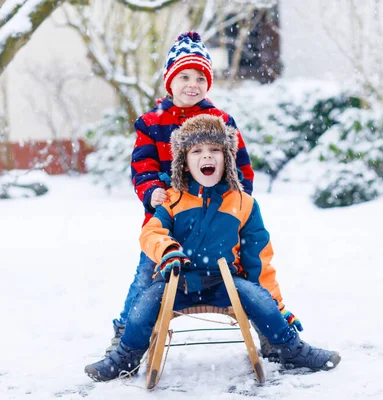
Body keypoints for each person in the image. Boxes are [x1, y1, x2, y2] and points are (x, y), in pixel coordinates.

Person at [85, 114, 341, 382]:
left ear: (227, 158)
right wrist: (167, 249)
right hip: (177, 283)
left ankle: (291, 349)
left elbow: (260, 262)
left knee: (259, 299)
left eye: (214, 150)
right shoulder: (173, 199)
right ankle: (124, 358)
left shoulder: (243, 204)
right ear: (184, 162)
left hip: (225, 284)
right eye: (197, 150)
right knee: (142, 306)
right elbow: (152, 232)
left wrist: (277, 306)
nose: (206, 156)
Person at [106, 31, 255, 354]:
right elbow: (142, 166)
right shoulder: (151, 123)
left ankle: (270, 327)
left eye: (200, 77)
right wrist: (152, 191)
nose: (192, 84)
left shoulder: (220, 121)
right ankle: (126, 332)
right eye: (184, 76)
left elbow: (241, 166)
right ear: (169, 81)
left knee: (249, 267)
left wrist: (238, 201)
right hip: (168, 219)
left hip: (215, 217)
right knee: (147, 273)